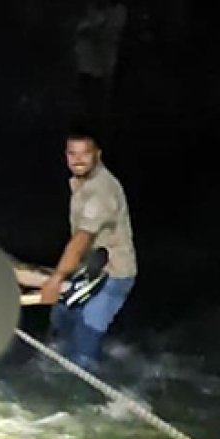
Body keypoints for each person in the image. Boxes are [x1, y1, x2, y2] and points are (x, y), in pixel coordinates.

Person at [35, 128, 137, 372]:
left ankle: (97, 398)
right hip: (88, 270)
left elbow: (81, 239)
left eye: (85, 154)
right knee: (59, 326)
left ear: (97, 155)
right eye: (72, 154)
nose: (78, 160)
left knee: (82, 349)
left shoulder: (102, 190)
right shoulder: (79, 182)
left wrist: (56, 279)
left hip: (113, 275)